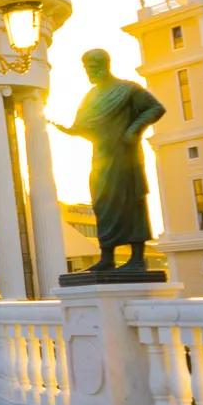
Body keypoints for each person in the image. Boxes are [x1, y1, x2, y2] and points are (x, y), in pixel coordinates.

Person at [54, 48, 168, 274]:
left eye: (92, 68)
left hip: (125, 156)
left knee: (131, 200)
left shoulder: (127, 89)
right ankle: (107, 256)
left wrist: (134, 128)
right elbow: (85, 127)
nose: (89, 73)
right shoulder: (92, 96)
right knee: (102, 202)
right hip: (102, 158)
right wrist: (69, 130)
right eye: (86, 69)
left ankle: (137, 258)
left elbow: (156, 108)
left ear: (105, 65)